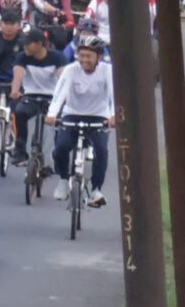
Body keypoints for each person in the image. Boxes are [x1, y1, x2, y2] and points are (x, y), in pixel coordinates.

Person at [46, 33, 118, 206]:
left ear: (99, 57)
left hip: (98, 116)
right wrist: (52, 113)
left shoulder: (107, 70)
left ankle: (96, 190)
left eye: (89, 56)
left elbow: (113, 93)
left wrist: (113, 115)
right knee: (61, 148)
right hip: (72, 113)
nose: (84, 59)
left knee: (101, 150)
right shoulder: (71, 69)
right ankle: (63, 180)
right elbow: (60, 92)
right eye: (81, 55)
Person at [7, 24, 69, 169]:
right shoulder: (22, 57)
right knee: (19, 113)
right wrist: (15, 91)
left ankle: (59, 155)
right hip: (31, 96)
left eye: (28, 44)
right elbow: (18, 76)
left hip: (52, 98)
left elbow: (62, 79)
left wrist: (62, 99)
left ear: (40, 44)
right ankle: (20, 151)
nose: (25, 47)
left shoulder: (57, 57)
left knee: (60, 123)